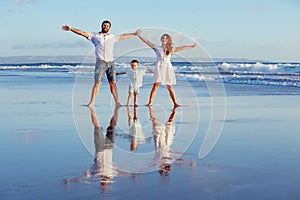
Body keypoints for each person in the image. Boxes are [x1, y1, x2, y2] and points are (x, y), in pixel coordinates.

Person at [62, 20, 141, 107]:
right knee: (97, 83)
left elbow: (123, 36)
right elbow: (82, 33)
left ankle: (117, 102)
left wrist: (134, 34)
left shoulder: (112, 37)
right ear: (101, 26)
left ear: (109, 28)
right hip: (100, 63)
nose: (105, 27)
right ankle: (91, 102)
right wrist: (71, 28)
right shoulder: (95, 36)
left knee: (113, 83)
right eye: (104, 25)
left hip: (111, 63)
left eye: (107, 26)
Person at [137, 32, 198, 107]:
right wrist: (139, 36)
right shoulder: (157, 48)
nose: (164, 39)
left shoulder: (171, 49)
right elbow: (147, 42)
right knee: (155, 85)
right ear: (161, 39)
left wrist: (192, 46)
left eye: (166, 38)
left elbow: (182, 48)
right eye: (163, 38)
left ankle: (175, 103)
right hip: (159, 67)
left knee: (169, 86)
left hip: (167, 68)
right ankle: (150, 102)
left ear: (168, 40)